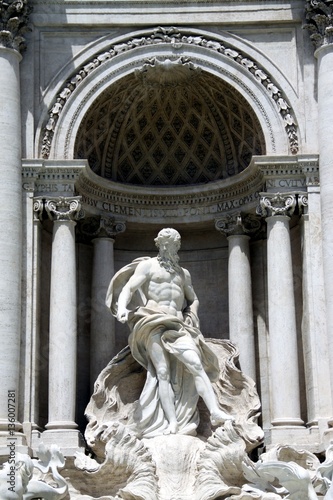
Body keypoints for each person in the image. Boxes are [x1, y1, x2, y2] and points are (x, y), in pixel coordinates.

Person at [106, 228, 233, 436]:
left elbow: (193, 299)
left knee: (196, 364)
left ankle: (216, 411)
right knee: (162, 372)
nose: (170, 248)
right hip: (152, 321)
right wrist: (122, 308)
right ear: (159, 245)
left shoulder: (183, 274)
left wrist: (192, 314)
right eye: (167, 244)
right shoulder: (148, 266)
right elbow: (129, 288)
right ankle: (172, 423)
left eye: (174, 245)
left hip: (178, 324)